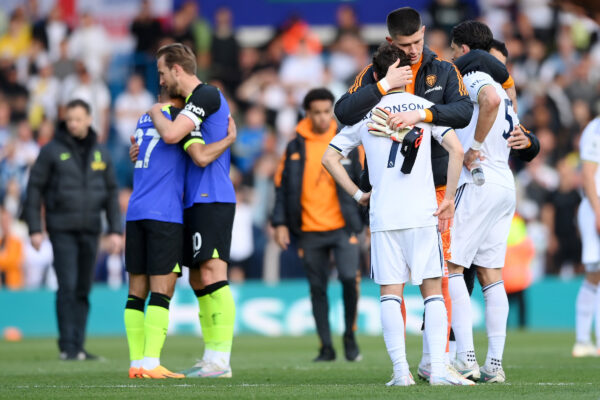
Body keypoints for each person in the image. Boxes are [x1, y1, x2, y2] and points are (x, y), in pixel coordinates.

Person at [334, 6, 473, 379]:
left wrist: (423, 116)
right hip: (389, 189)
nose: (412, 50)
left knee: (439, 278)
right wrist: (381, 87)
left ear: (424, 33)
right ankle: (428, 363)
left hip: (438, 183)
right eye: (404, 44)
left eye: (417, 41)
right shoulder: (373, 75)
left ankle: (434, 361)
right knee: (417, 281)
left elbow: (462, 112)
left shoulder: (442, 69)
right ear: (389, 42)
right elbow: (344, 111)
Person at [147, 43, 237, 378]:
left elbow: (172, 136)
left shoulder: (207, 95)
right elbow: (187, 149)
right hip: (192, 200)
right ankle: (211, 356)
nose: (160, 80)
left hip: (211, 196)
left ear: (176, 69)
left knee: (214, 273)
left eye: (161, 72)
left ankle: (220, 360)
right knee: (199, 278)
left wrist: (155, 112)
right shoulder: (188, 105)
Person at [446, 20, 520, 384]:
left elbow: (487, 101)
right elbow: (504, 107)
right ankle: (494, 364)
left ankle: (466, 358)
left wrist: (473, 147)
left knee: (451, 266)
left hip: (479, 179)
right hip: (505, 182)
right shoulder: (506, 89)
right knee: (491, 277)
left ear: (462, 49)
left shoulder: (474, 76)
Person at [23, 99, 122, 360]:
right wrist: (35, 227)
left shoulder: (101, 152)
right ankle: (67, 346)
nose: (74, 124)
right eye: (70, 119)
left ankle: (78, 345)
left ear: (90, 119)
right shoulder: (52, 151)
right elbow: (34, 189)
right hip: (62, 229)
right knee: (67, 285)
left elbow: (112, 193)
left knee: (83, 288)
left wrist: (115, 230)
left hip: (91, 229)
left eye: (79, 119)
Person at [271, 88, 365, 362]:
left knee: (349, 279)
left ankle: (349, 335)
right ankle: (326, 346)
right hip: (309, 229)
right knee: (317, 288)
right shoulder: (295, 146)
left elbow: (363, 180)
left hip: (343, 226)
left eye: (327, 111)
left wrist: (367, 222)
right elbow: (281, 187)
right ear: (307, 114)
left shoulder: (347, 140)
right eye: (317, 112)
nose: (324, 117)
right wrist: (280, 223)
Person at [124, 89, 187, 379]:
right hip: (164, 212)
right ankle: (151, 362)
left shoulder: (142, 119)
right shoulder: (179, 118)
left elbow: (143, 152)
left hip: (136, 208)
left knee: (136, 292)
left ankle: (136, 363)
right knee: (162, 290)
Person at [574, 116, 600, 357]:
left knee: (595, 275)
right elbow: (589, 174)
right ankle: (583, 340)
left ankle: (585, 341)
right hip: (596, 205)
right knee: (594, 274)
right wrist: (598, 210)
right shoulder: (596, 129)